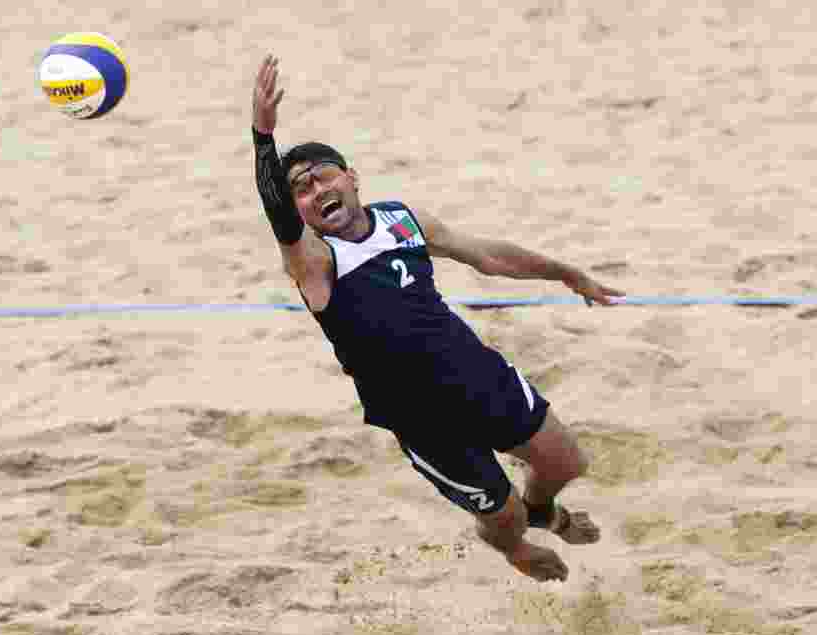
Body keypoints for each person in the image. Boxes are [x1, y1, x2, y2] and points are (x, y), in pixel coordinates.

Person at [251, 54, 623, 583]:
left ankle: (543, 510)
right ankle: (512, 544)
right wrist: (263, 137)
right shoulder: (315, 262)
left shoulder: (403, 221)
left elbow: (487, 255)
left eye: (323, 177)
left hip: (475, 372)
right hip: (419, 418)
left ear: (352, 178)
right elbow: (277, 212)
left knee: (565, 463)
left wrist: (564, 272)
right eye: (302, 191)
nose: (316, 192)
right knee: (504, 519)